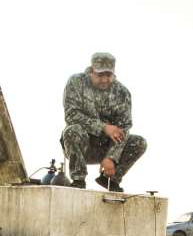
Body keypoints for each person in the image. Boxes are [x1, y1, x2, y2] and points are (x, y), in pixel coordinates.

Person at [61, 52, 147, 192]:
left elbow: (123, 128)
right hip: (81, 145)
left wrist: (111, 158)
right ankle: (78, 180)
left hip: (106, 147)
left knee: (139, 142)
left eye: (108, 75)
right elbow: (71, 115)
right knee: (73, 131)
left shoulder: (122, 93)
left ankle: (110, 180)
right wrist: (103, 127)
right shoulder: (76, 82)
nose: (104, 80)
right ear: (91, 71)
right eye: (100, 75)